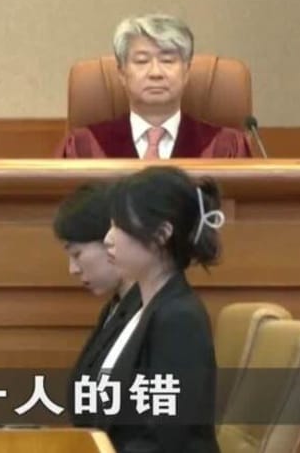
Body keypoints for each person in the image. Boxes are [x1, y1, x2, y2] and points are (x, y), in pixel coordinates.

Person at [89, 166, 224, 453]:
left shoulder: (179, 318)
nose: (108, 238)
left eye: (120, 226)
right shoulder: (133, 307)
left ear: (162, 234)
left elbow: (164, 439)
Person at [55, 14, 250, 159]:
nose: (155, 73)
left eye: (167, 60)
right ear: (122, 73)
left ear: (186, 71)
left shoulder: (226, 147)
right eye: (142, 61)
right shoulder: (83, 147)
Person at [52, 180, 140, 424]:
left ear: (112, 241)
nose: (73, 269)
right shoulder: (115, 309)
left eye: (77, 254)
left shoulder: (163, 316)